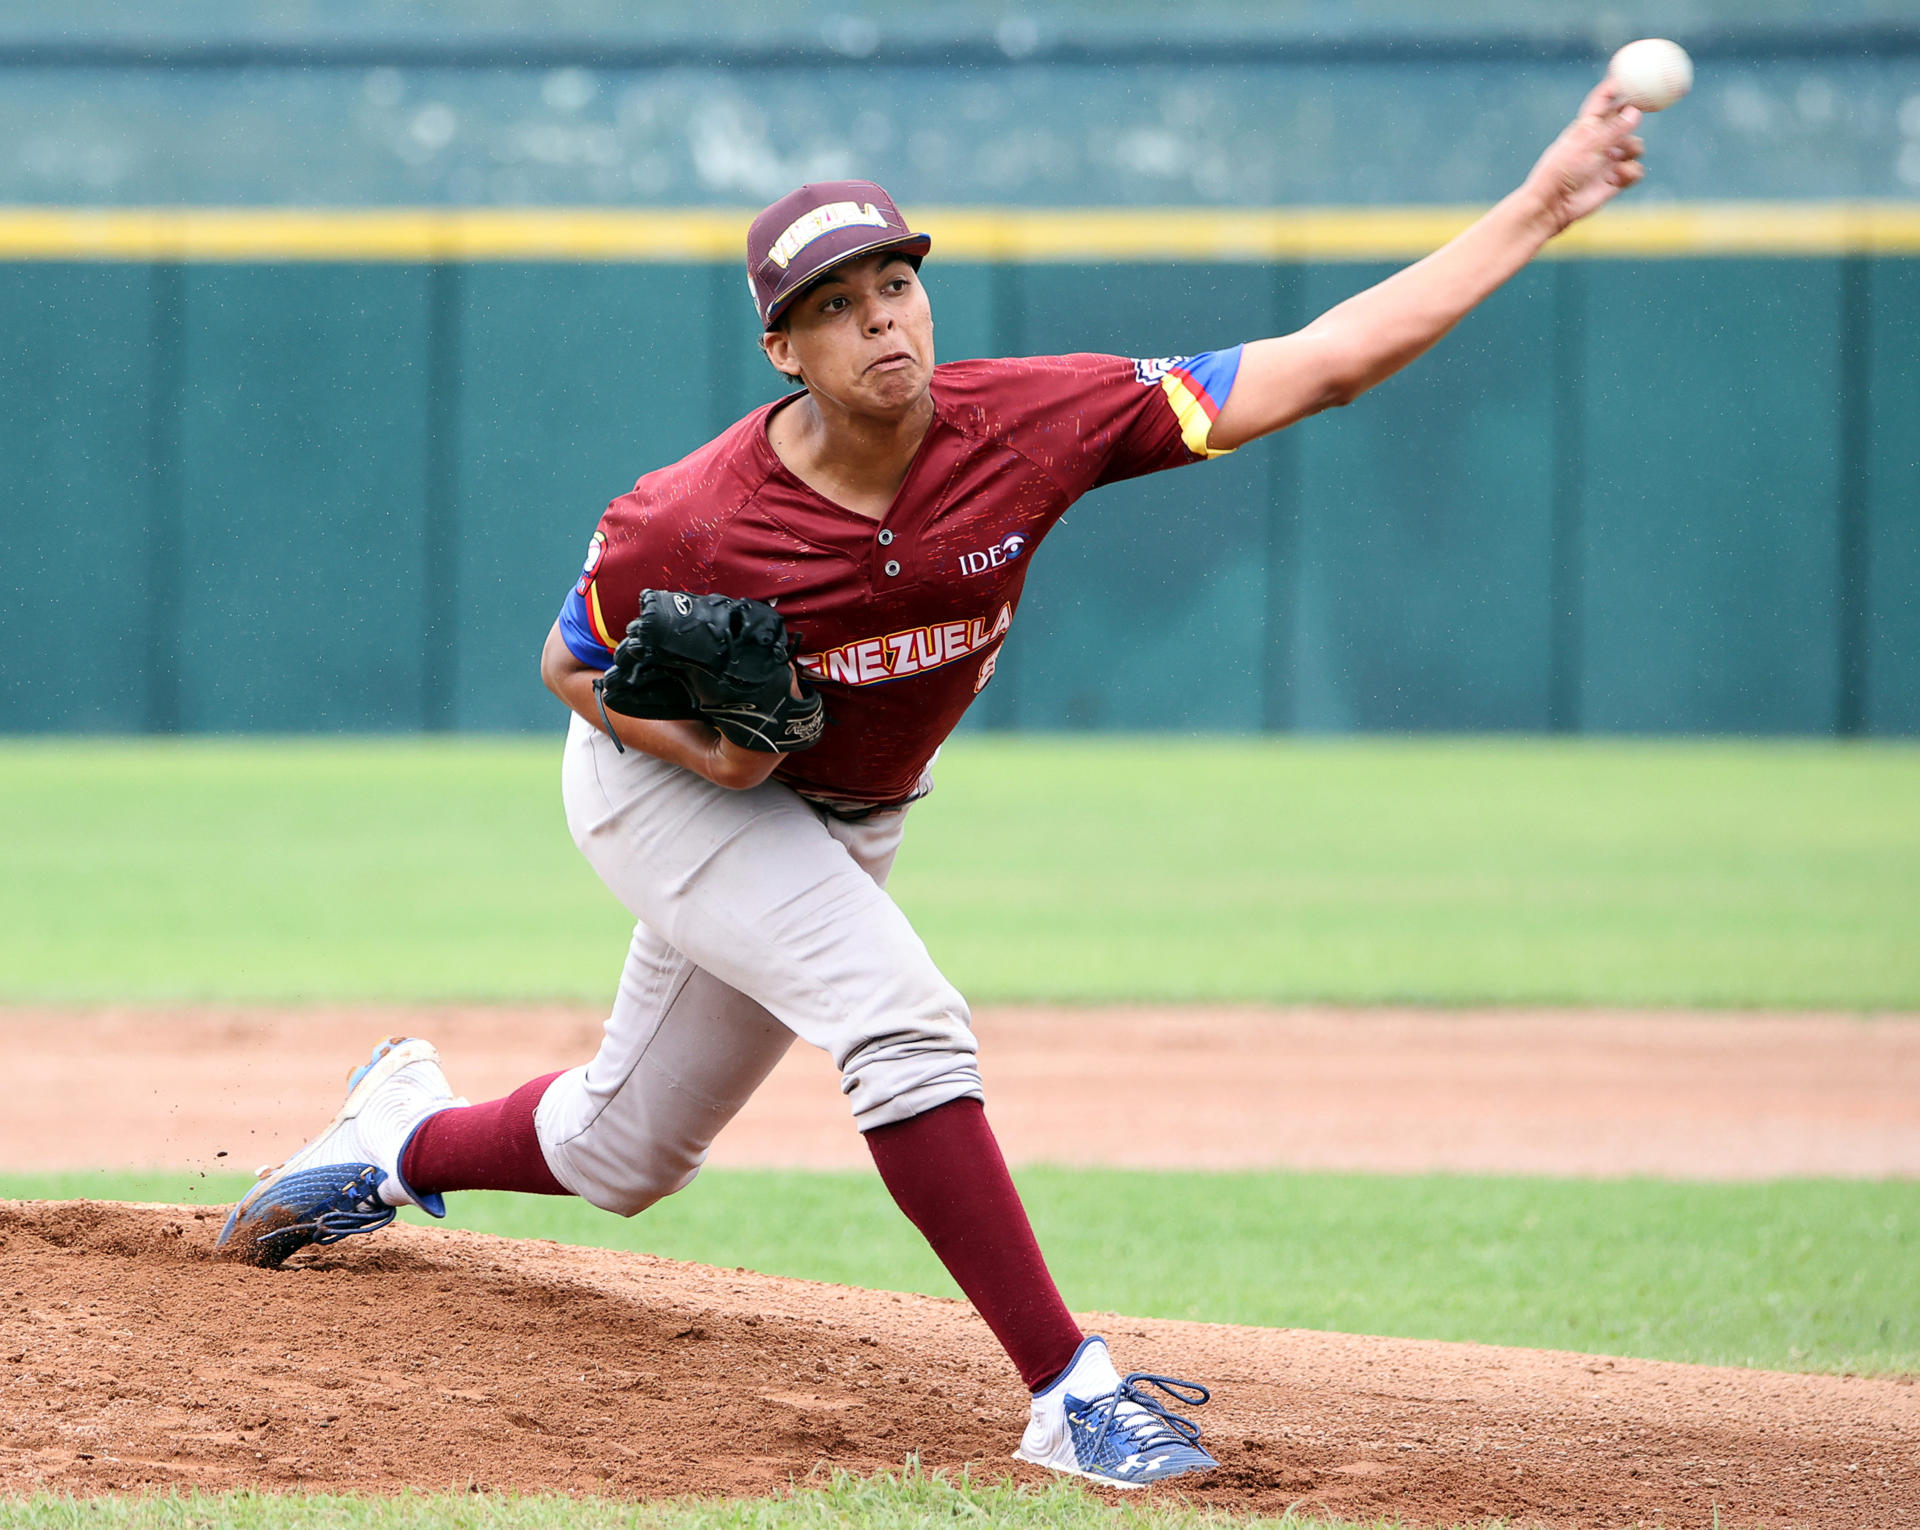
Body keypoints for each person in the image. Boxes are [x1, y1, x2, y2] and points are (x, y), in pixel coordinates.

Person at [220, 78, 1645, 1487]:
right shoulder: (693, 516)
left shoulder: (1029, 427)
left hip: (845, 812)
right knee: (902, 1021)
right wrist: (710, 750)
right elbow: (565, 661)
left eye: (896, 281)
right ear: (783, 345)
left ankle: (393, 1135)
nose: (881, 316)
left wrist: (1536, 207)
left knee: (627, 1145)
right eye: (837, 302)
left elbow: (1316, 362)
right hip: (666, 792)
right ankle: (1071, 1394)